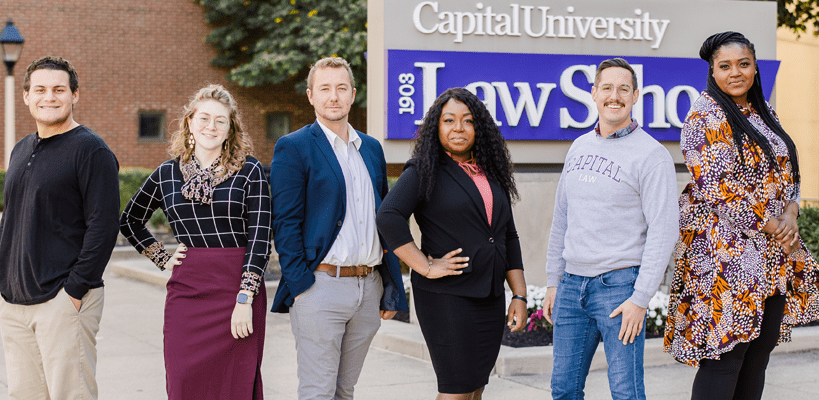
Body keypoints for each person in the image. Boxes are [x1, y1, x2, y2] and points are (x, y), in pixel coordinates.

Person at [664, 31, 819, 400]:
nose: (735, 73)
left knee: (759, 352)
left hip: (773, 255)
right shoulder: (704, 116)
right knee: (728, 353)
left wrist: (791, 211)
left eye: (743, 64)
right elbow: (718, 189)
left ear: (755, 67)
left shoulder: (763, 112)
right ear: (713, 71)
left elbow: (787, 172)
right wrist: (776, 226)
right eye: (725, 66)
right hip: (727, 256)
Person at [269, 56, 409, 400]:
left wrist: (390, 285)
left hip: (368, 288)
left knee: (344, 391)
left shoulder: (372, 149)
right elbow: (284, 222)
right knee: (318, 392)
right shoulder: (294, 147)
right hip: (320, 286)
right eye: (325, 88)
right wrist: (302, 284)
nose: (334, 96)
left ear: (353, 94)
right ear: (311, 96)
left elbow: (385, 219)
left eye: (341, 88)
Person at [376, 87, 530, 400]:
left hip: (489, 296)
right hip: (447, 297)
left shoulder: (491, 173)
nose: (458, 128)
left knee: (476, 388)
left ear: (479, 128)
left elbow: (507, 235)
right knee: (456, 390)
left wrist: (520, 295)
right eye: (449, 120)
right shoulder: (423, 169)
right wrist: (425, 266)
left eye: (467, 121)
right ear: (437, 127)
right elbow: (389, 217)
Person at [119, 84, 270, 399]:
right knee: (184, 382)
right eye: (204, 118)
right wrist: (162, 257)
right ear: (189, 122)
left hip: (237, 289)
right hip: (188, 293)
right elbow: (129, 220)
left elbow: (260, 236)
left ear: (230, 130)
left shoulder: (249, 171)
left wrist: (244, 299)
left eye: (220, 121)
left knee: (235, 386)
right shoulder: (166, 174)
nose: (210, 127)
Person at [542, 57, 680, 400]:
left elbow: (664, 231)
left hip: (619, 290)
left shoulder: (652, 155)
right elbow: (562, 219)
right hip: (572, 288)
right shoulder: (579, 147)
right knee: (563, 389)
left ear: (635, 96)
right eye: (607, 87)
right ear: (593, 93)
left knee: (626, 392)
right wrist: (552, 281)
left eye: (623, 88)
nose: (614, 95)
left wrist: (640, 298)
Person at [0, 56, 120, 400]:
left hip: (62, 301)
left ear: (74, 95)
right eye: (40, 89)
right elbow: (14, 217)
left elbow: (104, 225)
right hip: (14, 301)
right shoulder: (21, 149)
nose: (49, 97)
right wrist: (2, 277)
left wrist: (75, 291)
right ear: (26, 96)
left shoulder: (91, 150)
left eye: (58, 89)